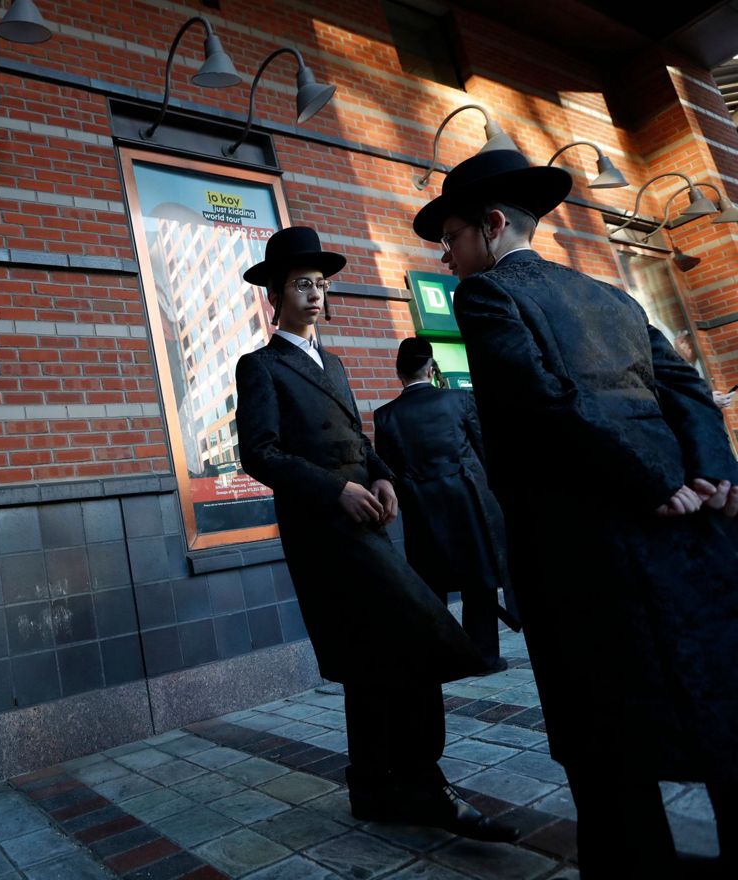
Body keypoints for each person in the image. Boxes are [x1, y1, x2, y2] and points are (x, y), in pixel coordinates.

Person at [412, 149, 738, 878]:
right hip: (688, 535)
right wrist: (712, 473)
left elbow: (540, 399)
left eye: (453, 237)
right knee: (718, 710)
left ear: (493, 227)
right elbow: (686, 386)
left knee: (605, 743)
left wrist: (653, 479)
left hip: (585, 549)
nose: (447, 255)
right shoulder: (613, 297)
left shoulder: (488, 295)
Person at [234, 226, 517, 842]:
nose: (314, 294)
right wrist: (334, 489)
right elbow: (258, 452)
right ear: (274, 297)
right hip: (323, 534)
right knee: (416, 638)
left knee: (372, 660)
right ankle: (422, 781)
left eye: (320, 284)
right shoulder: (259, 366)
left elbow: (360, 441)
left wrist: (384, 476)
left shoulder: (331, 363)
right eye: (301, 285)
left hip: (367, 524)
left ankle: (372, 785)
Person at [373, 337, 517, 670]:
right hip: (469, 503)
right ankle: (483, 656)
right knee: (478, 582)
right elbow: (485, 451)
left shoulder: (385, 417)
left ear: (399, 372)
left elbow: (387, 471)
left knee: (430, 585)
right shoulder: (459, 401)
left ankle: (440, 657)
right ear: (430, 367)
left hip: (423, 510)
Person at [674, 329, 734, 409]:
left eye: (690, 343)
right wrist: (709, 400)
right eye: (684, 342)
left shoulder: (694, 367)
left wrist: (711, 399)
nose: (688, 347)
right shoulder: (676, 371)